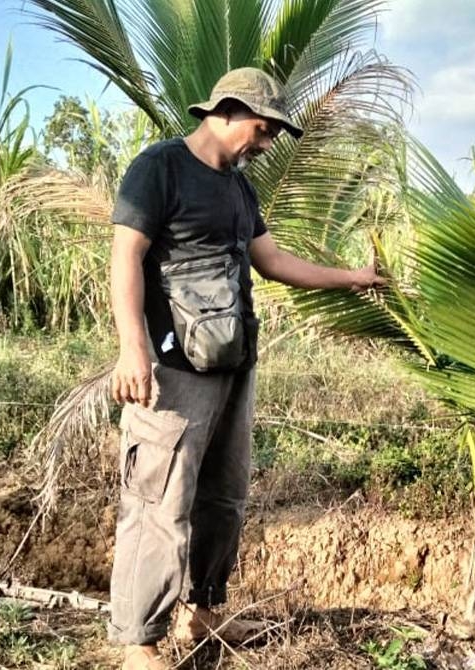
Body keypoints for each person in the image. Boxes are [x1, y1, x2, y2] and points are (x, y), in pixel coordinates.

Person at [107, 67, 383, 670]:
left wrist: (352, 279)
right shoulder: (161, 167)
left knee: (223, 496)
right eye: (261, 131)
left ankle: (200, 610)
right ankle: (137, 642)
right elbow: (126, 256)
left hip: (233, 362)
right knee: (159, 499)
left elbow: (273, 260)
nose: (263, 146)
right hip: (173, 369)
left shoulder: (238, 187)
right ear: (228, 111)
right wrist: (134, 349)